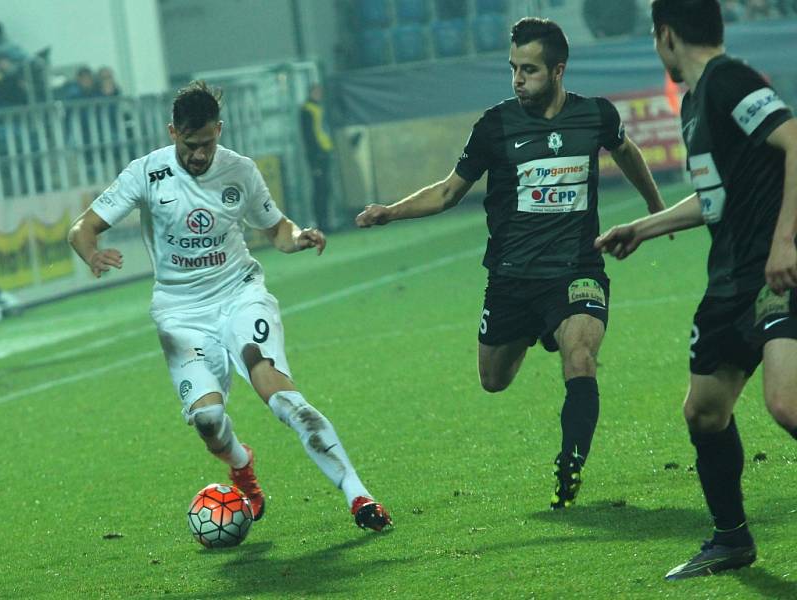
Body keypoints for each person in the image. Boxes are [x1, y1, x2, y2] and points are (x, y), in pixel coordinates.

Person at [357, 17, 667, 510]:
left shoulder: (596, 116)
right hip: (512, 279)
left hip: (576, 269)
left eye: (530, 70)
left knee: (581, 356)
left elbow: (626, 152)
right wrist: (391, 212)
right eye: (513, 69)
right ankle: (534, 329)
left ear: (559, 70)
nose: (518, 80)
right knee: (494, 380)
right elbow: (447, 192)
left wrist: (657, 210)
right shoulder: (496, 125)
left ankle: (571, 461)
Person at [67, 81, 392, 532]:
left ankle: (360, 495)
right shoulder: (145, 173)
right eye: (188, 143)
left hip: (240, 294)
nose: (198, 155)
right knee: (207, 418)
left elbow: (276, 228)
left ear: (219, 130)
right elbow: (82, 228)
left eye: (207, 143)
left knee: (284, 400)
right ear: (172, 132)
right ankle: (242, 466)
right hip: (180, 312)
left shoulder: (240, 170)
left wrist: (298, 238)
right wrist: (91, 253)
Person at [595, 0, 797, 580]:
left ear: (665, 36)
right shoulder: (695, 101)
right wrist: (644, 226)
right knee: (705, 413)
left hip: (773, 274)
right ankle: (731, 538)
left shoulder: (729, 80)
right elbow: (716, 200)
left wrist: (787, 241)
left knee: (786, 404)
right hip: (728, 282)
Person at [300, 83, 334, 231]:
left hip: (324, 152)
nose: (320, 94)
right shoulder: (307, 110)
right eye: (317, 91)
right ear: (312, 92)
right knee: (319, 190)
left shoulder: (319, 107)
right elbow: (308, 137)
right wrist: (314, 159)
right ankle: (321, 224)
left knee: (326, 189)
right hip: (317, 155)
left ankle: (326, 221)